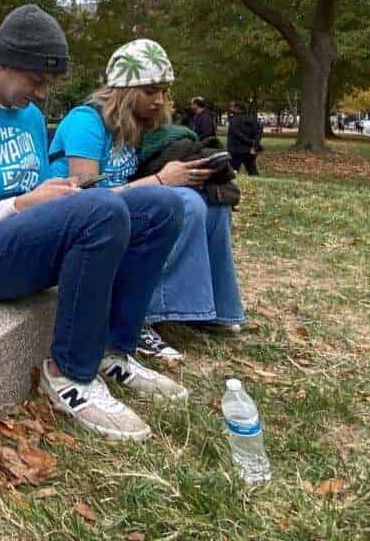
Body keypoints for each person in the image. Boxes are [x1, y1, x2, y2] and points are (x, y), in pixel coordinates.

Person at [0, 7, 190, 442]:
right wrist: (20, 205)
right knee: (103, 209)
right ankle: (70, 374)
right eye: (36, 80)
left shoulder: (26, 114)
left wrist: (56, 194)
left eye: (49, 83)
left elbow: (33, 189)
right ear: (4, 62)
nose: (42, 93)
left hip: (20, 241)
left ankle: (114, 350)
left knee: (161, 205)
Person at [47, 38, 246, 366]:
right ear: (124, 90)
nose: (160, 101)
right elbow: (83, 202)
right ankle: (142, 315)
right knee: (183, 202)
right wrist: (161, 180)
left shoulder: (132, 126)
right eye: (150, 91)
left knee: (213, 204)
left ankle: (210, 308)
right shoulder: (86, 121)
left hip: (120, 215)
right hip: (80, 226)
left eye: (164, 91)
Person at [226, 99, 263, 176]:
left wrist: (249, 141)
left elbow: (236, 133)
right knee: (252, 170)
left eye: (232, 106)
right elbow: (258, 132)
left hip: (235, 150)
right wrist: (254, 143)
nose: (230, 108)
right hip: (249, 149)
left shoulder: (234, 120)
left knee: (232, 171)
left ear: (237, 108)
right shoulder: (252, 118)